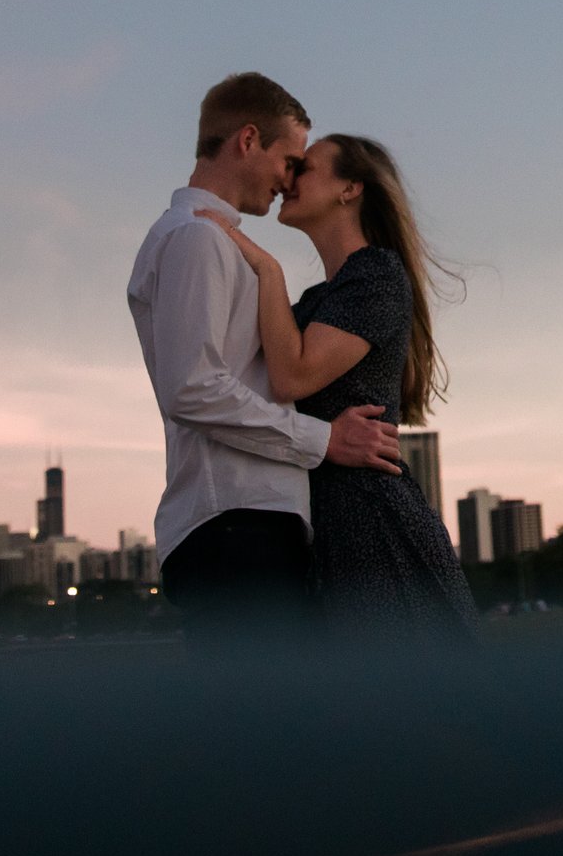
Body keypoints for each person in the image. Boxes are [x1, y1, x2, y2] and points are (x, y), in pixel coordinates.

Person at [128, 72, 404, 650]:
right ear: (248, 140)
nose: (289, 179)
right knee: (273, 728)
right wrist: (324, 440)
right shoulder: (197, 240)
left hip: (247, 526)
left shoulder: (216, 242)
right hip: (233, 526)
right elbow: (193, 390)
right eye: (289, 160)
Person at [198, 132, 480, 647]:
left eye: (304, 167)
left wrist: (267, 268)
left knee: (413, 708)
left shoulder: (376, 275)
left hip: (370, 521)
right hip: (322, 521)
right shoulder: (317, 300)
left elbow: (291, 377)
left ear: (350, 189)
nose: (288, 179)